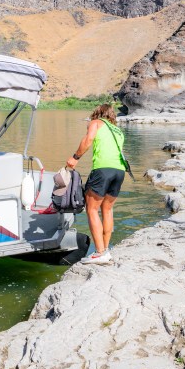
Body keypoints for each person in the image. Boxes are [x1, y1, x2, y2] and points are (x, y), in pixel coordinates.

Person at [66, 103, 127, 265]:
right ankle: (105, 250)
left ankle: (100, 253)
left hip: (103, 170)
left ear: (98, 113)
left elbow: (89, 139)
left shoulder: (96, 123)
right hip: (119, 171)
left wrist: (75, 158)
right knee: (107, 209)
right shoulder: (118, 131)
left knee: (91, 209)